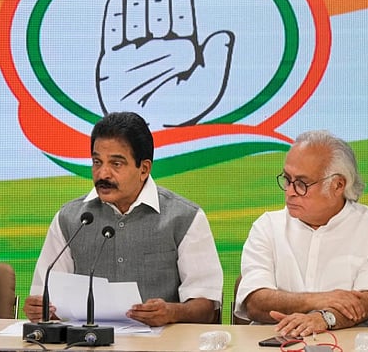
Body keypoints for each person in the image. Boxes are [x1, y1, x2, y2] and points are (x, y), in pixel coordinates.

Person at [23, 112, 223, 327]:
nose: (103, 174)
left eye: (116, 164)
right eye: (97, 162)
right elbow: (45, 297)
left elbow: (206, 307)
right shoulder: (71, 219)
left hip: (160, 346)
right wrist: (38, 309)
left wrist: (172, 312)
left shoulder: (184, 217)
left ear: (143, 169)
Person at [235, 130, 368, 337]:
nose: (289, 191)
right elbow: (255, 302)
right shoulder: (267, 226)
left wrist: (323, 319)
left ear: (338, 185)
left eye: (301, 184)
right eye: (287, 180)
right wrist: (320, 300)